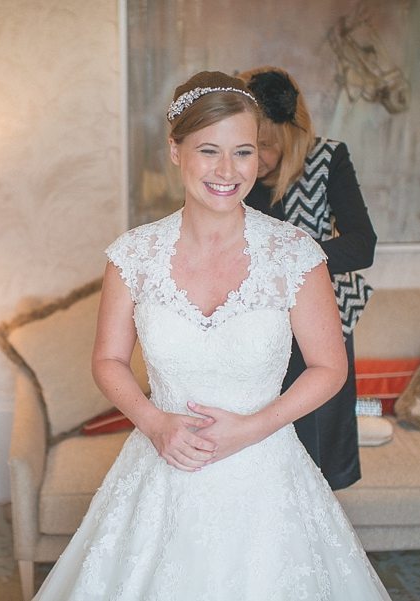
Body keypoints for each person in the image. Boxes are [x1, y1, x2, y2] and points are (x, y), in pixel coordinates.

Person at [32, 70, 389, 600]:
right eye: (209, 151)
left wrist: (252, 429)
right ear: (175, 151)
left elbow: (329, 368)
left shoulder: (295, 253)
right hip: (162, 467)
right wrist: (153, 423)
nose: (228, 171)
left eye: (243, 152)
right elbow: (108, 360)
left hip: (267, 475)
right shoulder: (133, 254)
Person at [238, 66, 377, 491]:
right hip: (253, 326)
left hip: (316, 324)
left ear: (291, 132)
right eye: (247, 144)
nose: (254, 158)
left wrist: (291, 258)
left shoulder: (327, 159)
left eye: (265, 145)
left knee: (314, 450)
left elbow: (362, 245)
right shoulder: (233, 170)